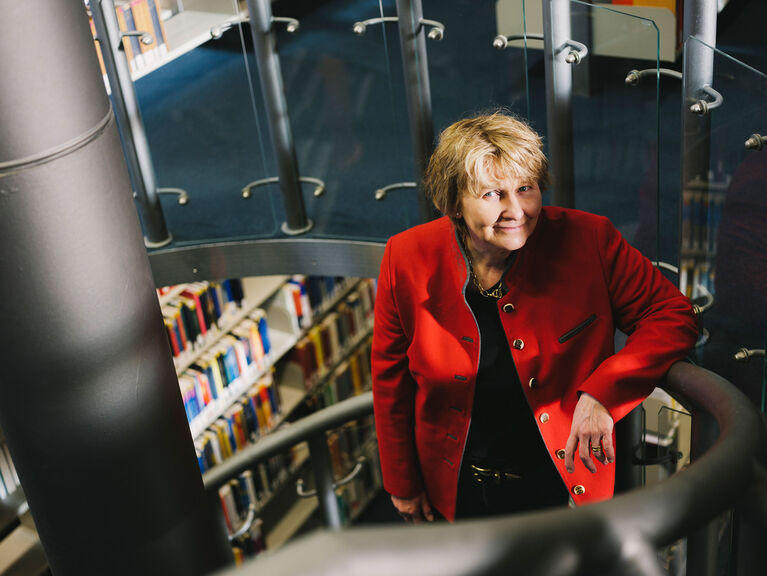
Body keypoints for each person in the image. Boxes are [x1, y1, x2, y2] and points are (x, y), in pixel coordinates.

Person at [371, 112, 699, 523]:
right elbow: (390, 379)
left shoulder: (590, 239)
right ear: (452, 203)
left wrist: (603, 393)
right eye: (492, 194)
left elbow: (672, 314)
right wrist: (402, 483)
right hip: (452, 487)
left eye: (525, 188)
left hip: (560, 485)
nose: (516, 210)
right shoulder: (405, 256)